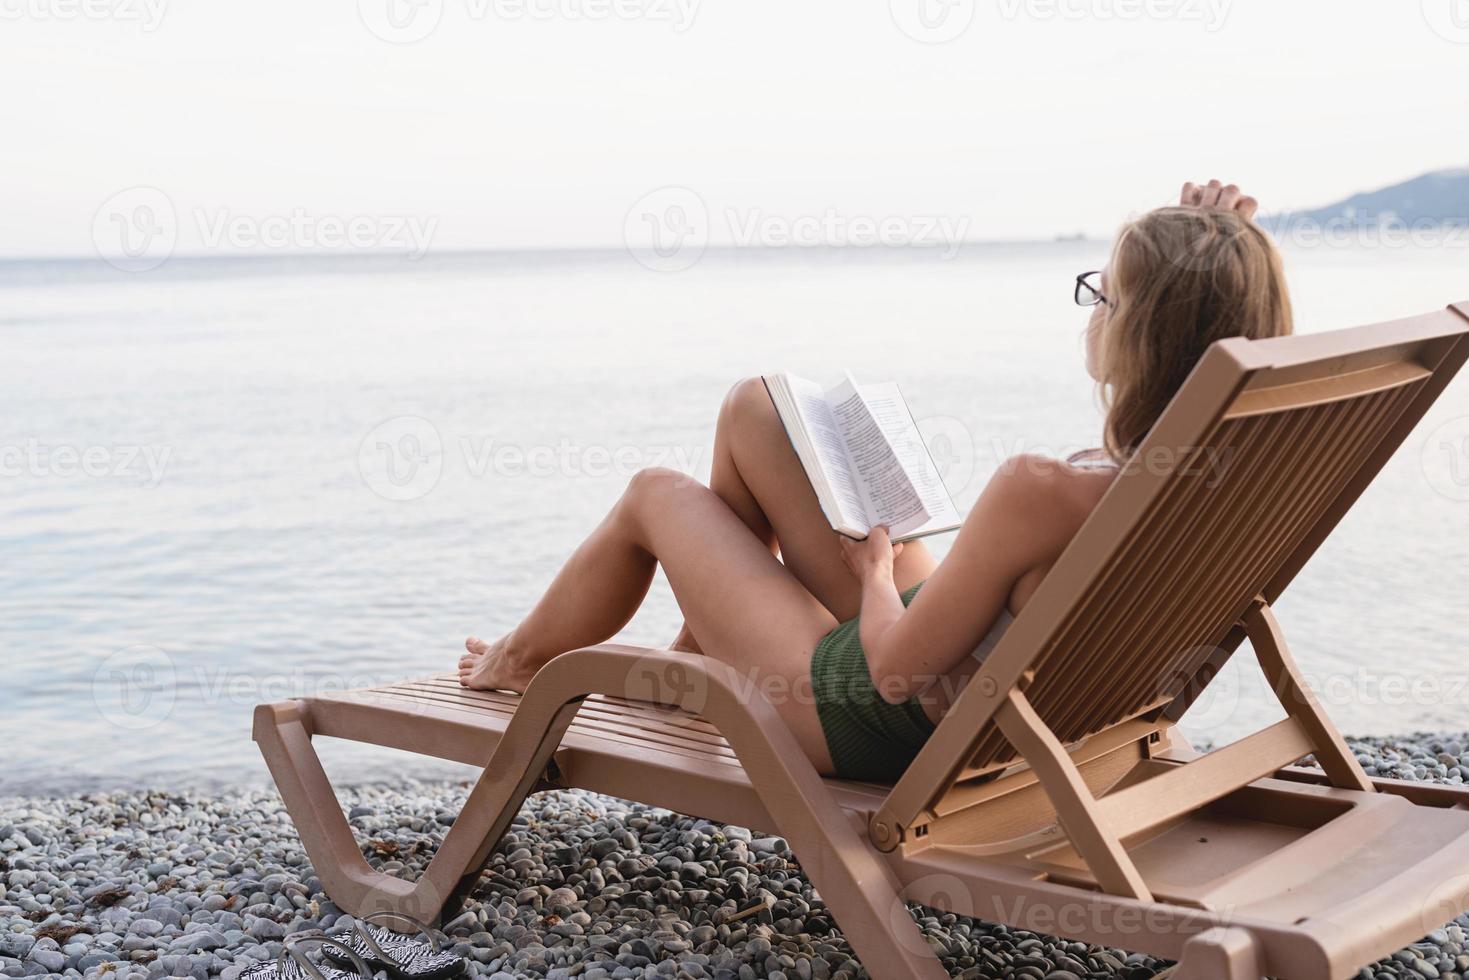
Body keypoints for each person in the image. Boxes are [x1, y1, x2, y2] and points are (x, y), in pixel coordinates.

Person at [459, 179, 1292, 781]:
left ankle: (520, 659)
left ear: (1140, 337)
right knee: (758, 410)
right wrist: (1214, 252)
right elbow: (1225, 345)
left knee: (654, 493)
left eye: (1102, 299)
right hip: (993, 688)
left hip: (872, 718)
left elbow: (893, 671)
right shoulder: (1250, 465)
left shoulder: (1041, 489)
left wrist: (873, 576)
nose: (1092, 312)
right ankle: (693, 659)